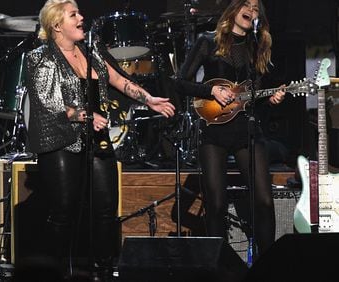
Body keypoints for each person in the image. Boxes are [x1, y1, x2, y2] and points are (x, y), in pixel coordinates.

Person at [24, 0, 175, 278]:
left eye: (79, 12)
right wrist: (83, 115)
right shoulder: (40, 57)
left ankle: (105, 269)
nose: (82, 17)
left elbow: (118, 80)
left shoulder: (91, 50)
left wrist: (149, 99)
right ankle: (53, 271)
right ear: (57, 25)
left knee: (106, 207)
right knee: (64, 210)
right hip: (60, 139)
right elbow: (47, 102)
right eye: (74, 14)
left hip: (97, 138)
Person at [173, 0, 285, 257]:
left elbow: (253, 94)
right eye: (246, 4)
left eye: (256, 8)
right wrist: (210, 89)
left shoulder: (258, 46)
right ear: (234, 8)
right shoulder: (208, 41)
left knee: (264, 201)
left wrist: (271, 98)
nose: (251, 11)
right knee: (216, 203)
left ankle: (267, 263)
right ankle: (219, 264)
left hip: (247, 129)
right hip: (214, 130)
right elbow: (180, 82)